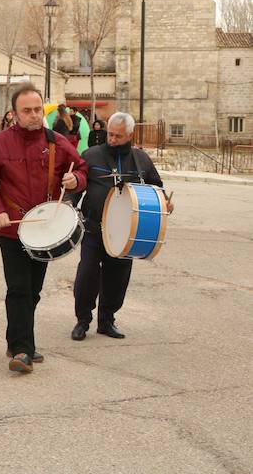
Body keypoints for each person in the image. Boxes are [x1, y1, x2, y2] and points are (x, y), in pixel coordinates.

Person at [0, 83, 88, 374]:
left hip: (45, 230)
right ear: (14, 114)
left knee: (33, 291)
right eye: (27, 111)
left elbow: (81, 168)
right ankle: (23, 350)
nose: (34, 115)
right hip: (12, 229)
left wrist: (76, 181)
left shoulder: (56, 141)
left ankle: (16, 340)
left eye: (38, 109)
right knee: (19, 288)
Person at [70, 112, 173, 342]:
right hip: (93, 227)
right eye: (110, 134)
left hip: (127, 231)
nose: (112, 139)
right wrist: (67, 207)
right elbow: (77, 186)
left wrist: (165, 201)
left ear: (130, 135)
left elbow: (156, 187)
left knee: (117, 276)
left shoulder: (141, 159)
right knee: (87, 273)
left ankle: (107, 320)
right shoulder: (91, 155)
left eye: (118, 136)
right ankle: (82, 320)